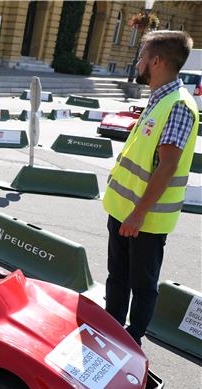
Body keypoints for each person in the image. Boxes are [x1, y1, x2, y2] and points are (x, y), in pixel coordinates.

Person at [103, 30, 199, 347]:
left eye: (142, 56)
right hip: (124, 211)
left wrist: (138, 214)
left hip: (144, 219)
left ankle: (131, 341)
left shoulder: (178, 106)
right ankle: (110, 329)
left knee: (142, 284)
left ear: (156, 61)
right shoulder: (159, 99)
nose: (138, 62)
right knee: (117, 277)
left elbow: (168, 166)